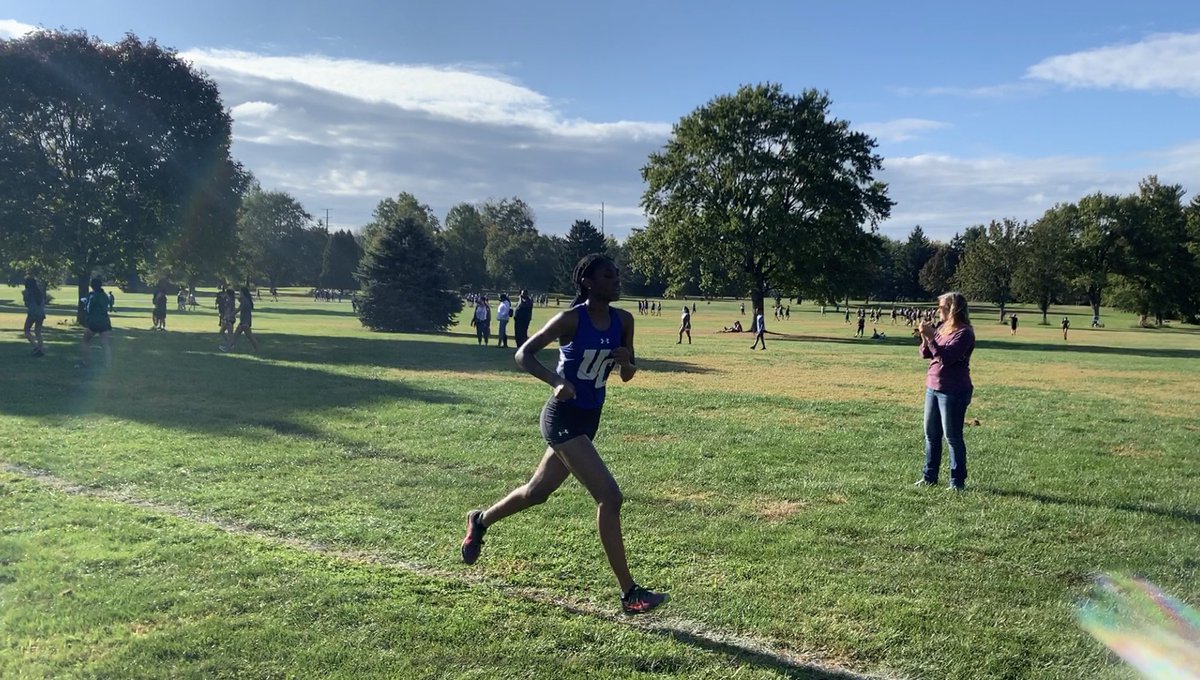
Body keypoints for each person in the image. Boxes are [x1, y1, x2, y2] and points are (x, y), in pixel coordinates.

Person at [459, 253, 668, 615]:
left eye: (617, 275)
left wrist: (626, 362)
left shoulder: (624, 320)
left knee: (535, 493)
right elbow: (524, 354)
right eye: (608, 276)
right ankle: (629, 592)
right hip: (561, 417)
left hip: (590, 419)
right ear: (587, 282)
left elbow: (628, 374)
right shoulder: (570, 319)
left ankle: (480, 520)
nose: (616, 281)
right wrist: (556, 381)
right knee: (610, 497)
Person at [915, 292, 975, 491]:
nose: (937, 310)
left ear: (952, 308)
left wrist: (932, 337)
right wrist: (925, 336)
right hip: (933, 387)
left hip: (954, 391)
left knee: (952, 437)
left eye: (941, 307)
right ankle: (929, 477)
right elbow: (925, 353)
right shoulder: (941, 328)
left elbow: (947, 358)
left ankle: (957, 482)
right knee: (931, 434)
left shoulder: (964, 333)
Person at [78, 277, 113, 368]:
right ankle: (108, 363)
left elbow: (89, 309)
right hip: (105, 321)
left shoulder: (92, 295)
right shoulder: (105, 296)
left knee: (86, 340)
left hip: (94, 322)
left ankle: (85, 361)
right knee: (105, 343)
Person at [222, 286, 259, 352]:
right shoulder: (246, 300)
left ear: (243, 293)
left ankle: (227, 348)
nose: (239, 294)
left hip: (244, 322)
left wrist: (229, 316)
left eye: (240, 292)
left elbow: (238, 310)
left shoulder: (244, 301)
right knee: (240, 337)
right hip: (245, 322)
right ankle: (228, 348)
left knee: (249, 337)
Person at [22, 276, 46, 357]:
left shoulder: (27, 292)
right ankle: (41, 349)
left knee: (26, 331)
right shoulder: (39, 292)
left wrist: (24, 297)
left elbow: (27, 304)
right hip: (41, 313)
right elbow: (42, 303)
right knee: (38, 332)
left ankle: (36, 347)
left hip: (32, 312)